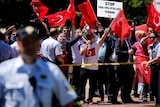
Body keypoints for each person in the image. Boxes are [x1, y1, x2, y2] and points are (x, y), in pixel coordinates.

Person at [0, 26, 77, 107]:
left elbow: (68, 99)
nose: (29, 46)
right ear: (19, 44)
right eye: (26, 42)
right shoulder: (4, 70)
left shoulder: (51, 70)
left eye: (33, 42)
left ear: (38, 44)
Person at [79, 28, 109, 104]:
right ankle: (82, 98)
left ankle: (90, 99)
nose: (89, 39)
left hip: (93, 68)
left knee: (92, 85)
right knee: (82, 84)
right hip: (84, 67)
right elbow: (81, 53)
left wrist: (105, 33)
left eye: (91, 37)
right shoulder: (83, 45)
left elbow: (102, 39)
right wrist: (87, 45)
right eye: (88, 38)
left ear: (93, 38)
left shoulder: (96, 45)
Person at [146, 32, 160, 106]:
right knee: (154, 86)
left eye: (153, 37)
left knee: (158, 86)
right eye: (150, 37)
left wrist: (149, 62)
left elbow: (158, 57)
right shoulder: (151, 46)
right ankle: (157, 101)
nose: (151, 39)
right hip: (154, 68)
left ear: (157, 38)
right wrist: (150, 63)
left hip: (159, 67)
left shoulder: (159, 45)